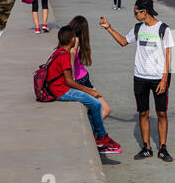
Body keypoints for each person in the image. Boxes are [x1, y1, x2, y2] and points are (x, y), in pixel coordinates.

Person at [99, 0, 175, 162]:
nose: (134, 15)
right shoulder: (138, 28)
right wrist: (108, 28)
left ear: (144, 11)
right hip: (140, 77)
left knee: (161, 113)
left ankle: (163, 148)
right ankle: (146, 147)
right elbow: (123, 42)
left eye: (136, 12)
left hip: (158, 78)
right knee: (143, 113)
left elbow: (169, 57)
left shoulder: (164, 29)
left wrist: (164, 79)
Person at [49, 25, 121, 153]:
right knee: (96, 104)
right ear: (72, 40)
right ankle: (101, 137)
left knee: (93, 105)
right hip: (61, 91)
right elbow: (69, 81)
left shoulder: (58, 52)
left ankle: (98, 136)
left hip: (57, 88)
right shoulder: (64, 56)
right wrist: (89, 91)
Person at [68, 15, 111, 120]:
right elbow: (71, 60)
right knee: (104, 110)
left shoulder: (68, 40)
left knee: (103, 110)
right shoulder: (76, 41)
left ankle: (94, 132)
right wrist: (72, 77)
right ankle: (94, 131)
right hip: (79, 82)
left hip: (85, 81)